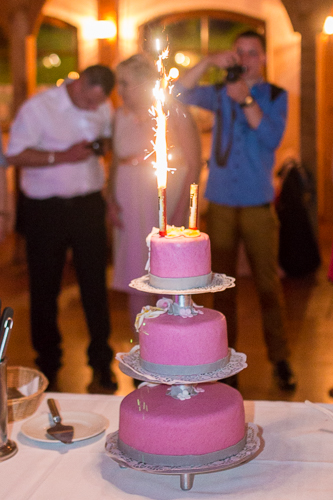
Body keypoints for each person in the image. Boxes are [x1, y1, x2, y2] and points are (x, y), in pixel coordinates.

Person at [174, 30, 297, 391]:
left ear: (263, 58)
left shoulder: (275, 94)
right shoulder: (218, 93)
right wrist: (207, 62)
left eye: (252, 53)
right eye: (239, 53)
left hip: (258, 202)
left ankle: (281, 359)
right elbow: (176, 92)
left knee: (268, 286)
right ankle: (224, 362)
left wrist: (245, 101)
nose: (245, 59)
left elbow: (272, 138)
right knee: (221, 288)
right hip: (223, 201)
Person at [6, 65, 117, 394]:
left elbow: (107, 137)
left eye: (98, 104)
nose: (93, 109)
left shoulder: (103, 104)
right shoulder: (39, 107)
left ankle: (101, 363)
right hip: (46, 210)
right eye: (88, 101)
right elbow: (14, 155)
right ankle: (48, 367)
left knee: (95, 287)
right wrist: (62, 156)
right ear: (79, 83)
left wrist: (102, 146)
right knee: (44, 289)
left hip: (88, 205)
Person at [107, 53, 202, 329]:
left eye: (124, 83)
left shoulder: (172, 110)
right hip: (128, 200)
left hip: (164, 201)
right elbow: (115, 160)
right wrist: (110, 200)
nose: (119, 90)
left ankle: (171, 347)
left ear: (142, 83)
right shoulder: (120, 116)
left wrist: (184, 209)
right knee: (134, 273)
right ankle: (141, 347)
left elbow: (194, 163)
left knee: (167, 275)